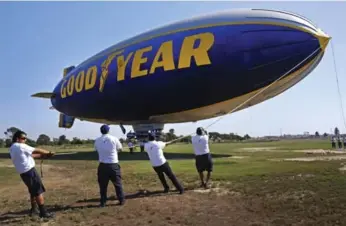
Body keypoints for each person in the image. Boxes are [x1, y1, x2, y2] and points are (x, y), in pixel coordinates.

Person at [9, 130, 55, 218]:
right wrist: (49, 153)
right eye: (23, 138)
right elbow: (36, 150)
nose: (25, 140)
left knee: (33, 190)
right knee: (38, 191)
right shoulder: (20, 146)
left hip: (23, 173)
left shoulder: (12, 147)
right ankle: (43, 213)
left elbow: (30, 155)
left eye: (25, 138)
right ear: (17, 139)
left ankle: (34, 209)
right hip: (29, 172)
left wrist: (42, 156)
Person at [94, 125, 125, 207]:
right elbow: (120, 149)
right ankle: (121, 200)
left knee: (103, 186)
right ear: (108, 131)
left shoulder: (97, 140)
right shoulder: (114, 138)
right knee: (118, 184)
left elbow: (96, 149)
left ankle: (103, 202)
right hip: (113, 165)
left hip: (102, 166)